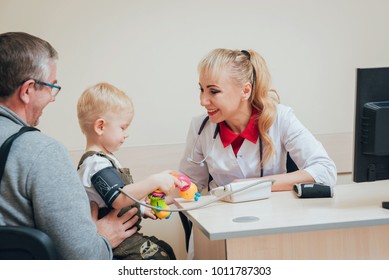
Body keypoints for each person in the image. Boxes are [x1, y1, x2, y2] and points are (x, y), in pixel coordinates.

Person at [178, 48, 337, 257]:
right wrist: (156, 194)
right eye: (201, 90)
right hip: (220, 228)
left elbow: (325, 171)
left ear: (245, 90)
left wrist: (250, 187)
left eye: (213, 91)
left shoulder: (281, 118)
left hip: (274, 223)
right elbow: (189, 185)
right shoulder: (201, 127)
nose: (203, 100)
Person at [0, 32, 139, 259]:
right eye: (51, 87)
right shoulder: (41, 152)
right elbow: (84, 257)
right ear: (27, 90)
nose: (53, 97)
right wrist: (102, 237)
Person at [76, 82, 180, 260]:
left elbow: (110, 201)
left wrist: (140, 207)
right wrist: (153, 181)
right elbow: (118, 199)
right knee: (159, 258)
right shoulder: (95, 164)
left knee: (165, 249)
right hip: (118, 245)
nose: (126, 134)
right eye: (123, 127)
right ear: (100, 126)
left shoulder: (104, 160)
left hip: (124, 234)